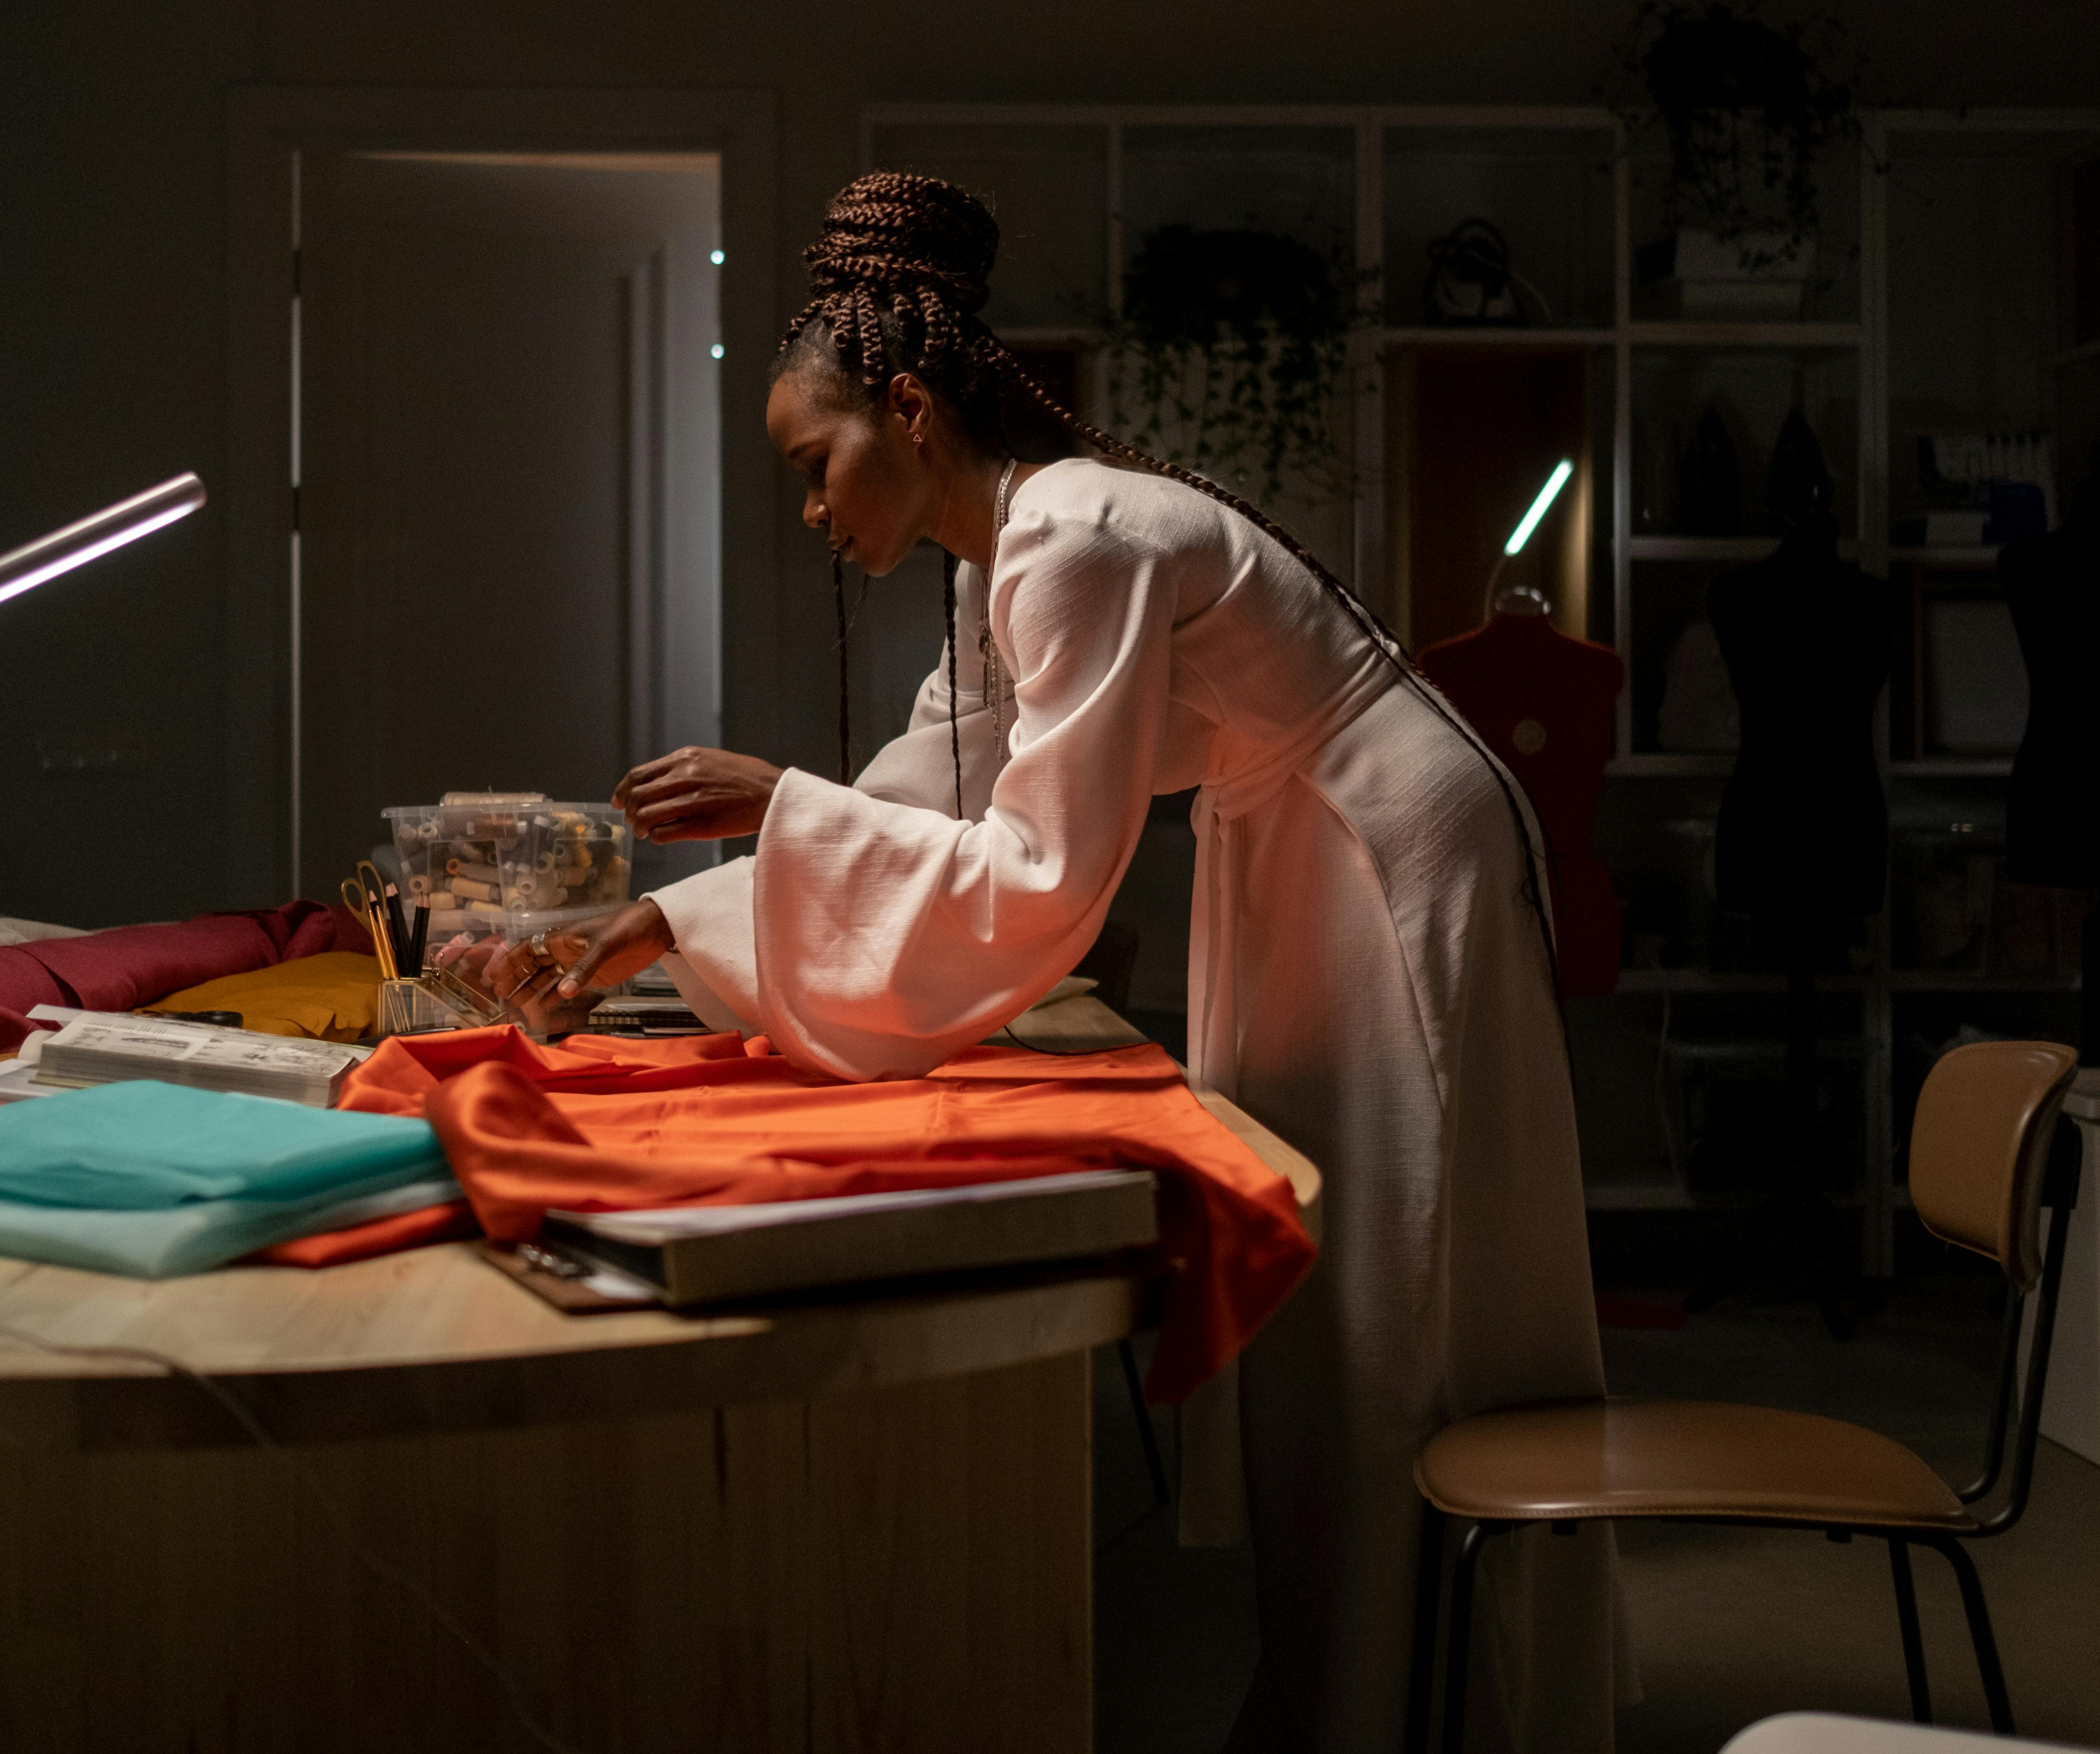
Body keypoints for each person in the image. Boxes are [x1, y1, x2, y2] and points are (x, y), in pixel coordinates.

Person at [482, 173, 1623, 1752]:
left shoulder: (1073, 539)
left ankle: (1423, 1705)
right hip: (1298, 832)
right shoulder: (1006, 552)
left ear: (906, 407)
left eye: (816, 467)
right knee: (1336, 1291)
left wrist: (776, 801)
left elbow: (1036, 874)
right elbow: (930, 789)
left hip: (1383, 842)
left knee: (1400, 1292)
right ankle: (1338, 1688)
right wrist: (662, 919)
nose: (811, 511)